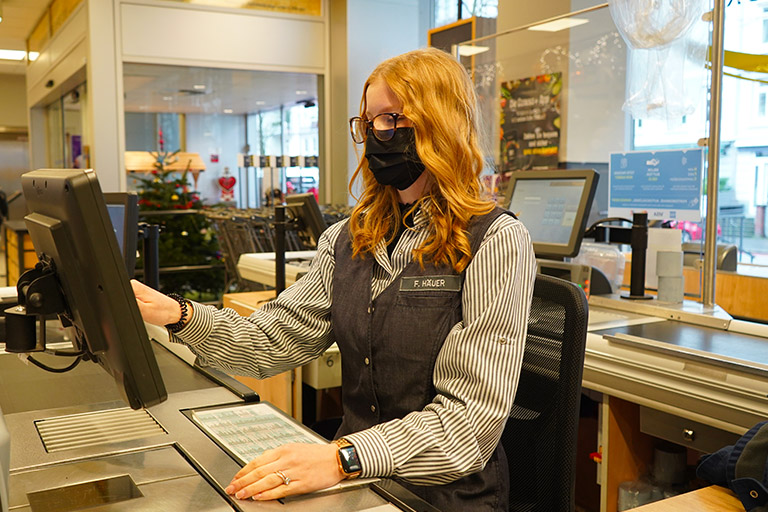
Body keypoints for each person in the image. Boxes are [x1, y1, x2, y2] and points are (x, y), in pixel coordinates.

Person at [132, 47, 536, 511]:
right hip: (355, 486)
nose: (376, 135)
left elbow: (468, 426)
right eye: (369, 122)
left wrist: (343, 458)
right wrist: (178, 314)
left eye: (391, 119)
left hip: (442, 498)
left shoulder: (495, 240)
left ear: (440, 123)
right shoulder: (347, 238)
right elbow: (271, 339)